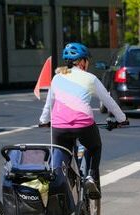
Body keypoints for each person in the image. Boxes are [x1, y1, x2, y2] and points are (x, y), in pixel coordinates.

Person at [39, 42, 128, 199]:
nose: (88, 64)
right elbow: (109, 101)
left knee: (60, 155)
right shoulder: (91, 78)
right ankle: (91, 177)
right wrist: (122, 119)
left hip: (59, 127)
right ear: (81, 62)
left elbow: (49, 105)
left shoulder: (57, 78)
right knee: (94, 147)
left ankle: (60, 183)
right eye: (87, 60)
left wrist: (44, 121)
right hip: (83, 125)